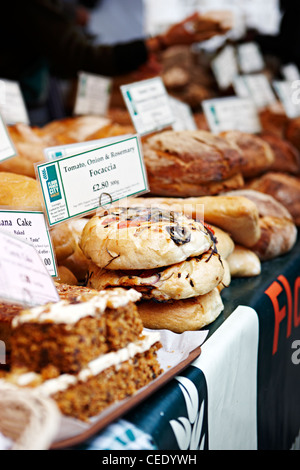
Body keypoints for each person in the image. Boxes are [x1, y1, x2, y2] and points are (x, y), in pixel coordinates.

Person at [0, 0, 224, 123]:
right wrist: (163, 42)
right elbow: (79, 57)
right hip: (14, 95)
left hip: (35, 84)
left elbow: (64, 56)